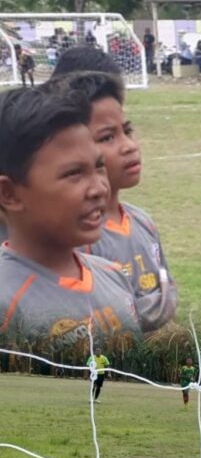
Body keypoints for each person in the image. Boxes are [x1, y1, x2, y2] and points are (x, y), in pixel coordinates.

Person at [0, 87, 141, 353]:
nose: (99, 188)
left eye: (98, 167)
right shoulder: (7, 306)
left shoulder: (113, 275)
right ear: (9, 194)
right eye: (74, 173)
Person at [45, 72, 177, 332]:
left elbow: (168, 296)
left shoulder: (143, 222)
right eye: (107, 137)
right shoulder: (80, 239)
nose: (129, 146)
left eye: (127, 131)